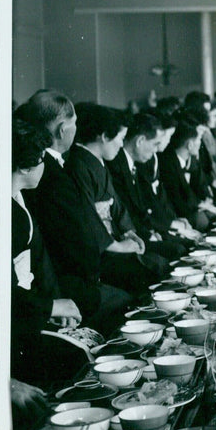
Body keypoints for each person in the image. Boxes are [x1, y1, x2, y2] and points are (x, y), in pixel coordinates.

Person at [18, 91, 132, 334]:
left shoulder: (52, 166)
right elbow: (75, 238)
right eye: (74, 124)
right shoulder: (50, 175)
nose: (76, 129)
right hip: (65, 282)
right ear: (62, 130)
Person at [66, 104, 168, 296]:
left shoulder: (98, 161)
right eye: (121, 138)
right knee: (151, 269)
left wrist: (130, 232)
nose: (122, 144)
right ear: (104, 137)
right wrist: (118, 246)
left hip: (112, 241)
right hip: (100, 252)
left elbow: (117, 205)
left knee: (157, 264)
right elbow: (87, 216)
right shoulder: (78, 164)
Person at [11, 118, 84, 388]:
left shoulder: (19, 199)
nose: (45, 165)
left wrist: (51, 304)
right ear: (24, 166)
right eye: (42, 158)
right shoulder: (8, 213)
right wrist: (50, 307)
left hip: (30, 307)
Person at [106, 113, 189, 261]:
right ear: (140, 141)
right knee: (177, 250)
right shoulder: (116, 166)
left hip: (143, 230)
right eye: (155, 144)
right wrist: (149, 234)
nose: (156, 150)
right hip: (129, 238)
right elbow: (127, 212)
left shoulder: (131, 163)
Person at [158, 121, 214, 231]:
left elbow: (199, 186)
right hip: (178, 212)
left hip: (192, 206)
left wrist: (204, 202)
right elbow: (175, 198)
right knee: (203, 219)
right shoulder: (168, 164)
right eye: (198, 140)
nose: (200, 143)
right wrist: (199, 206)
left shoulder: (190, 161)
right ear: (190, 145)